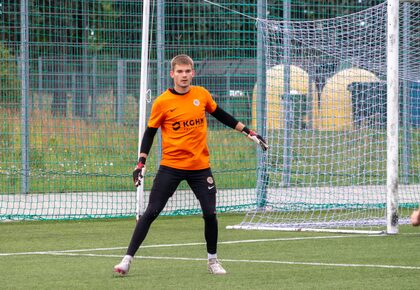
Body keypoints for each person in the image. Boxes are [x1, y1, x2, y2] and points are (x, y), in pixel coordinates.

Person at [113, 54, 268, 276]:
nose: (184, 76)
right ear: (172, 74)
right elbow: (149, 133)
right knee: (151, 212)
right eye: (180, 72)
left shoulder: (201, 95)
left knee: (210, 214)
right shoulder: (162, 102)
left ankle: (213, 260)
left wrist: (248, 132)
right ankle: (127, 260)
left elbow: (222, 115)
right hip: (171, 167)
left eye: (187, 71)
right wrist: (141, 163)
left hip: (200, 167)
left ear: (192, 73)